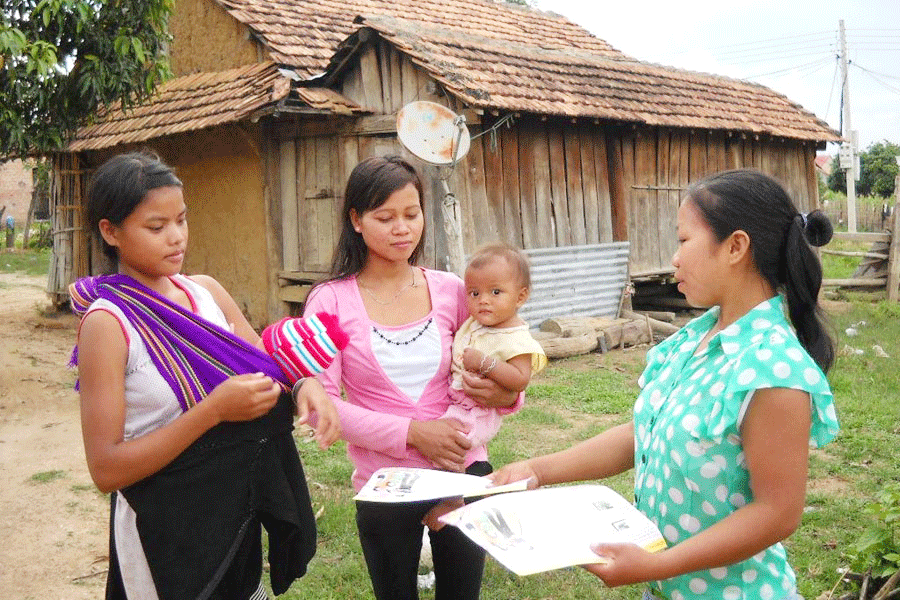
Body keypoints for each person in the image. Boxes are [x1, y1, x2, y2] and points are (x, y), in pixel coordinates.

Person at [490, 168, 840, 600]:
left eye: (683, 240)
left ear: (735, 247)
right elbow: (645, 434)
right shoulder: (695, 339)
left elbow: (777, 513)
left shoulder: (773, 371)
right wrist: (538, 470)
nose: (674, 258)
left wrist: (658, 564)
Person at [70, 151, 340, 600]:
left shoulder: (206, 293)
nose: (176, 238)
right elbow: (105, 468)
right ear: (109, 231)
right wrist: (212, 412)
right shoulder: (109, 324)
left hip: (233, 517)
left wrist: (307, 385)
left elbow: (270, 367)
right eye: (156, 227)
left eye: (182, 220)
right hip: (163, 529)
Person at [298, 155, 520, 600]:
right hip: (384, 485)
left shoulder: (452, 291)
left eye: (411, 214)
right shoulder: (330, 302)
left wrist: (501, 391)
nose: (402, 228)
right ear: (356, 220)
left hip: (462, 470)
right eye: (386, 217)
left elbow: (503, 372)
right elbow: (324, 405)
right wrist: (414, 433)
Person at [442, 242, 547, 448]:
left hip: (480, 412)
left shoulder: (516, 338)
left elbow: (520, 380)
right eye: (474, 293)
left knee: (450, 446)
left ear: (521, 297)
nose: (483, 300)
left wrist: (484, 363)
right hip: (457, 402)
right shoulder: (474, 323)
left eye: (496, 292)